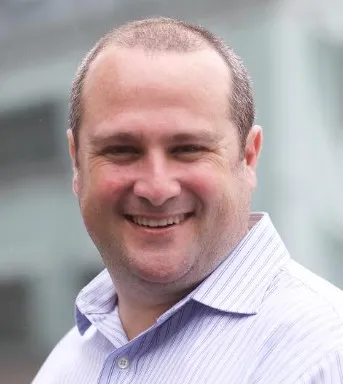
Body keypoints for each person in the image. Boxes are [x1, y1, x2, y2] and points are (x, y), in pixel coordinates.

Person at [32, 17, 343, 384]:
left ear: (249, 157)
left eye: (189, 149)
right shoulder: (67, 363)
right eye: (121, 150)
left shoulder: (321, 356)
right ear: (76, 162)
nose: (156, 187)